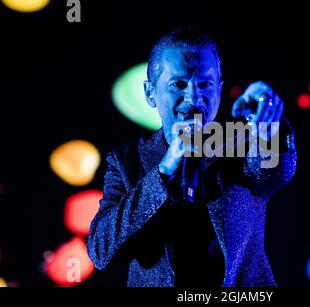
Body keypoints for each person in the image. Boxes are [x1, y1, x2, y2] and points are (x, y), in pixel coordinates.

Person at [87, 28, 297, 287]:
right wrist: (163, 172)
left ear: (219, 90)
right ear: (150, 93)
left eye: (205, 84)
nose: (194, 99)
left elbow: (274, 173)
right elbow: (101, 252)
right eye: (179, 84)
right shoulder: (125, 161)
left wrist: (268, 124)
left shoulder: (242, 142)